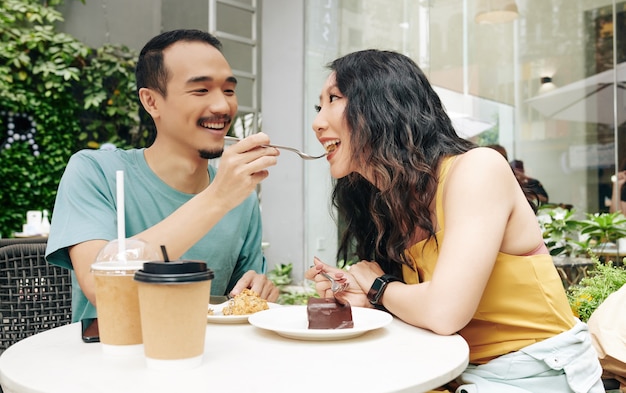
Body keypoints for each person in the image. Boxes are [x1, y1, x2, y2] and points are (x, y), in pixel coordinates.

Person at [305, 49, 603, 392]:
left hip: (537, 370)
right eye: (318, 106)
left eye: (334, 99)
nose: (317, 122)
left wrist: (379, 287)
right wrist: (362, 293)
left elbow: (444, 312)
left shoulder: (477, 169)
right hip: (457, 371)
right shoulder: (386, 203)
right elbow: (423, 310)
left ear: (382, 105)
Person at [45, 29, 280, 323]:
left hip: (200, 358)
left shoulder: (239, 199)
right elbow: (99, 285)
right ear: (151, 102)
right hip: (109, 360)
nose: (223, 106)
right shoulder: (95, 172)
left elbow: (238, 301)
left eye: (229, 90)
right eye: (201, 90)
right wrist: (217, 198)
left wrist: (259, 289)